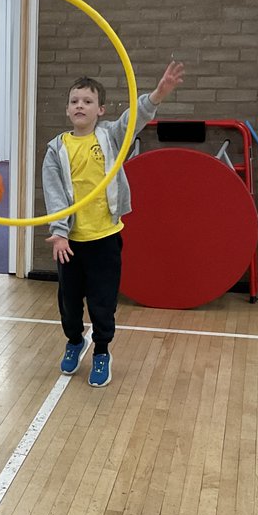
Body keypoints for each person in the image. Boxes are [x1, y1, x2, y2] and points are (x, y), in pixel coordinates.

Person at [42, 60, 185, 388]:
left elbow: (136, 117)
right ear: (67, 110)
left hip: (105, 237)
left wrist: (160, 92)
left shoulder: (111, 137)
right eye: (75, 101)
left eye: (88, 101)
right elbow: (54, 194)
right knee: (68, 301)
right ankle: (75, 341)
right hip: (71, 243)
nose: (80, 105)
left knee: (102, 301)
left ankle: (102, 351)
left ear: (101, 110)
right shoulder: (56, 150)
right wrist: (59, 233)